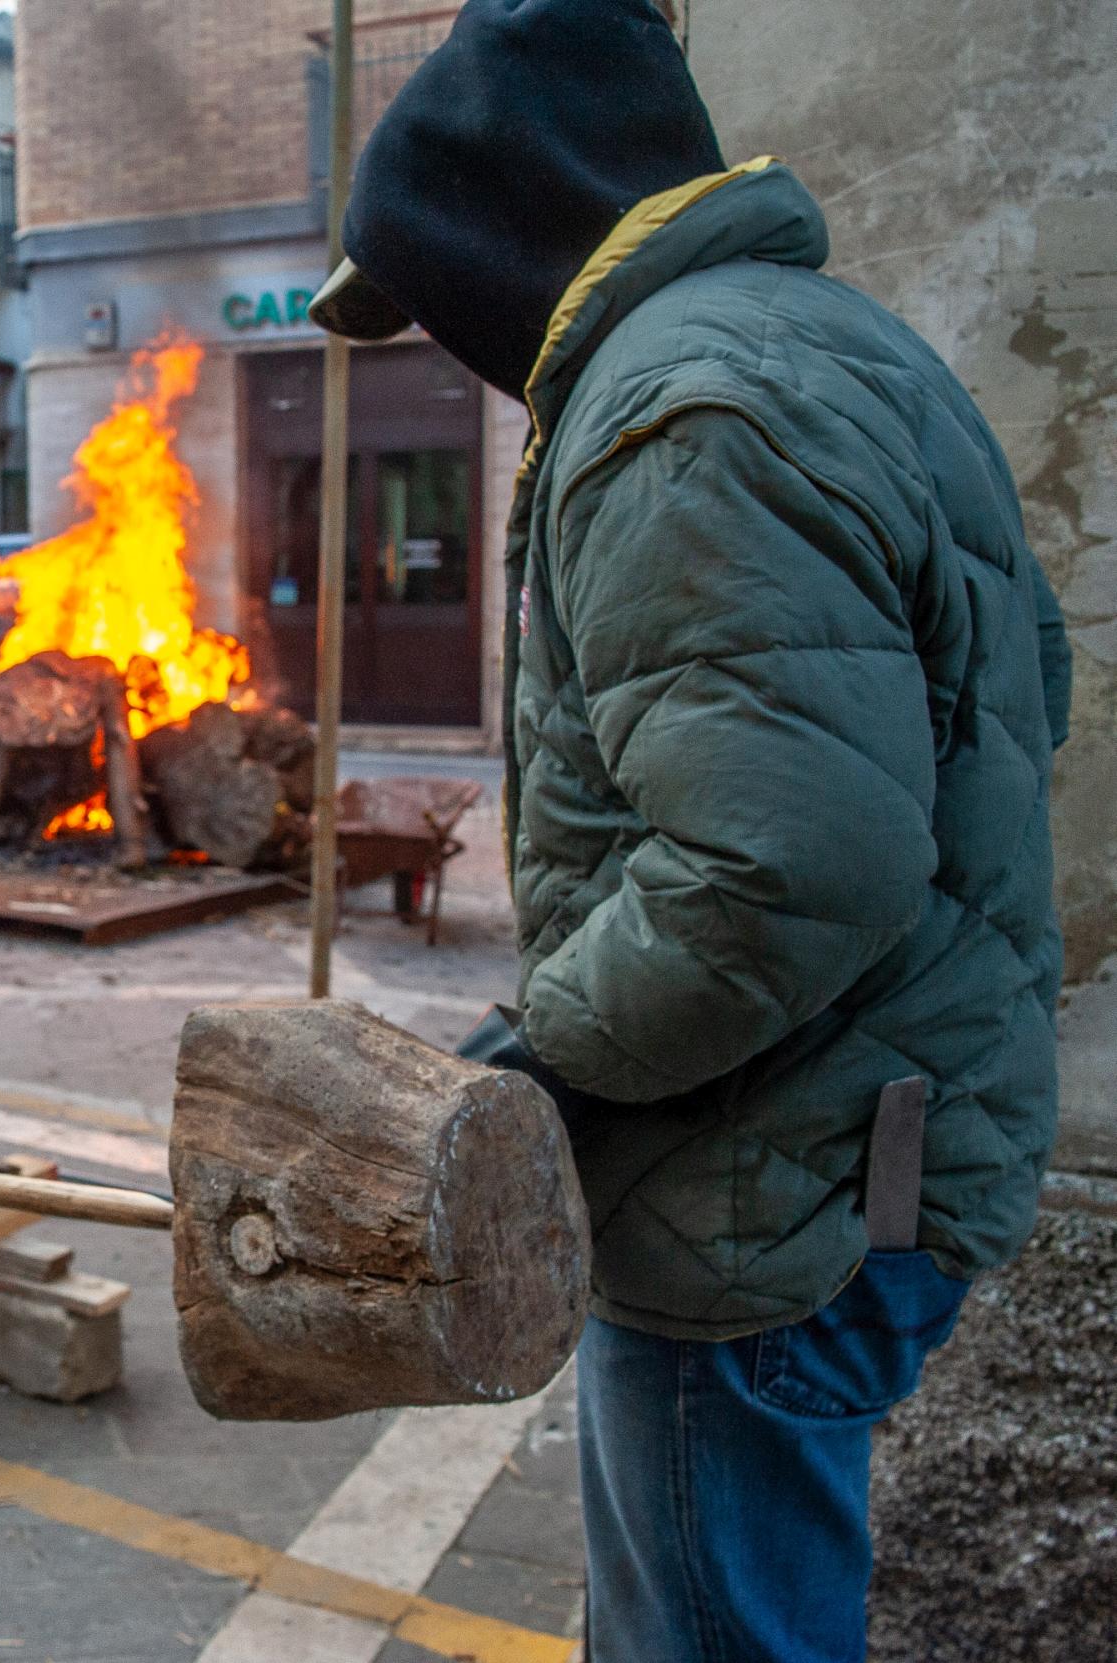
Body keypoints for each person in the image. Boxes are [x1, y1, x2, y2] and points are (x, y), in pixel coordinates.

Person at [307, 3, 1067, 1659]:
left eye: (434, 289)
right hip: (853, 1141)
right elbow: (1016, 699)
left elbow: (785, 864)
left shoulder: (681, 410)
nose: (445, 341)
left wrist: (537, 1061)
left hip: (758, 1190)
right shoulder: (829, 345)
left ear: (507, 221)